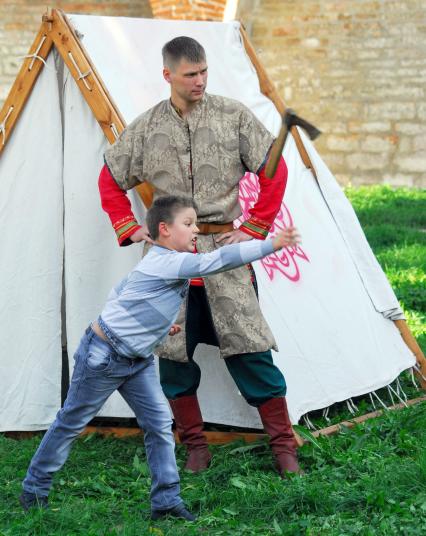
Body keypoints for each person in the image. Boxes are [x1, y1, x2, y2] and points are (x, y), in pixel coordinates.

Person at [20, 196, 300, 519]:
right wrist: (270, 244)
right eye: (188, 223)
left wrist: (154, 327)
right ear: (165, 229)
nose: (196, 229)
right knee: (71, 421)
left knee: (159, 425)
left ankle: (166, 502)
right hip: (103, 356)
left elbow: (121, 294)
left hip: (136, 360)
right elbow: (217, 261)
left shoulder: (159, 259)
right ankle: (34, 489)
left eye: (195, 223)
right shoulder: (169, 262)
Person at [99, 36, 301, 476]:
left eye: (204, 71)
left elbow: (274, 168)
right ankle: (195, 447)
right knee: (172, 357)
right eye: (191, 74)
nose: (200, 81)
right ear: (167, 74)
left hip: (225, 255)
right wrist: (129, 228)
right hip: (169, 264)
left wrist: (254, 228)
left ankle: (284, 448)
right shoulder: (147, 127)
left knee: (250, 347)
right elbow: (110, 179)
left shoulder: (233, 116)